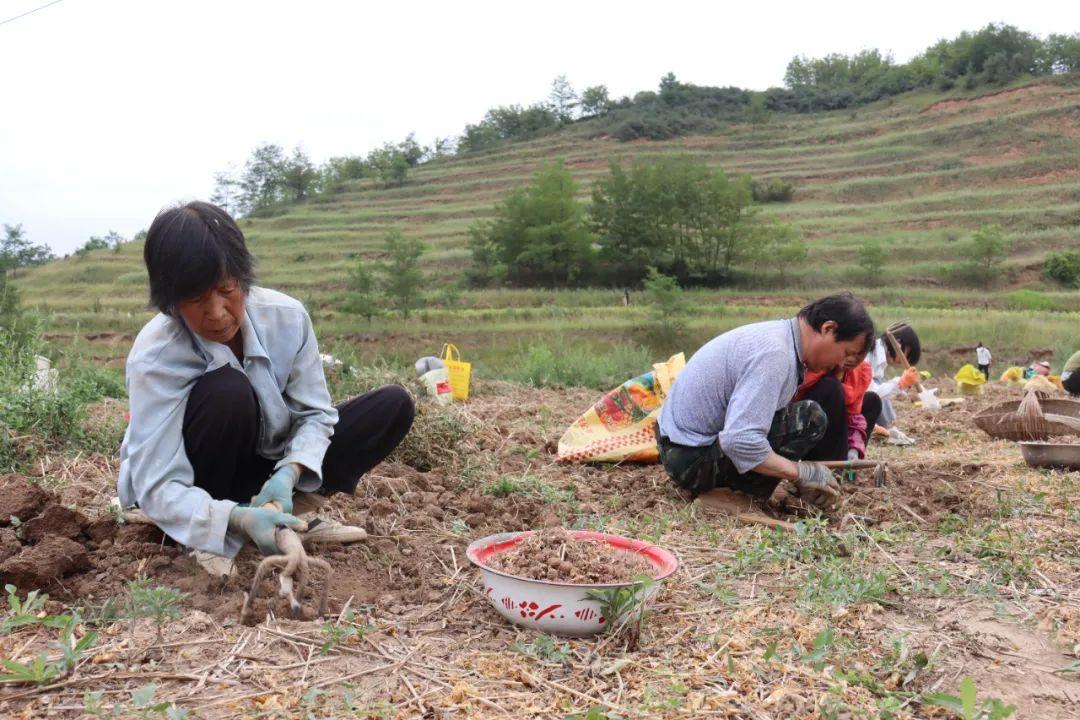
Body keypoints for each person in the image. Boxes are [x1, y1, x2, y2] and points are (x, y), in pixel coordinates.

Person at [117, 201, 415, 571]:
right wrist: (234, 517)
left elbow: (315, 415)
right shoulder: (155, 356)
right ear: (171, 304)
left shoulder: (287, 318)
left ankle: (284, 514)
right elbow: (157, 482)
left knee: (390, 407)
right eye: (195, 300)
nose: (216, 313)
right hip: (200, 479)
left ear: (243, 278)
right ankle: (220, 528)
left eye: (226, 290)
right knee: (228, 390)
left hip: (269, 469)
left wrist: (288, 473)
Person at [655, 293, 875, 508]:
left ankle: (739, 489)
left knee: (803, 417)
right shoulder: (776, 355)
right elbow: (739, 439)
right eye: (846, 353)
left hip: (681, 448)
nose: (841, 366)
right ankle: (728, 493)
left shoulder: (782, 339)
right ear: (828, 329)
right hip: (689, 460)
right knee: (809, 419)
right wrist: (798, 472)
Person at [866, 323, 921, 445]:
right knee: (879, 383)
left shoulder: (880, 359)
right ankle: (885, 429)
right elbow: (870, 392)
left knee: (881, 382)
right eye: (908, 353)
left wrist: (902, 388)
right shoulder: (868, 352)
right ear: (898, 344)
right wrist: (900, 383)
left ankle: (887, 429)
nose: (903, 360)